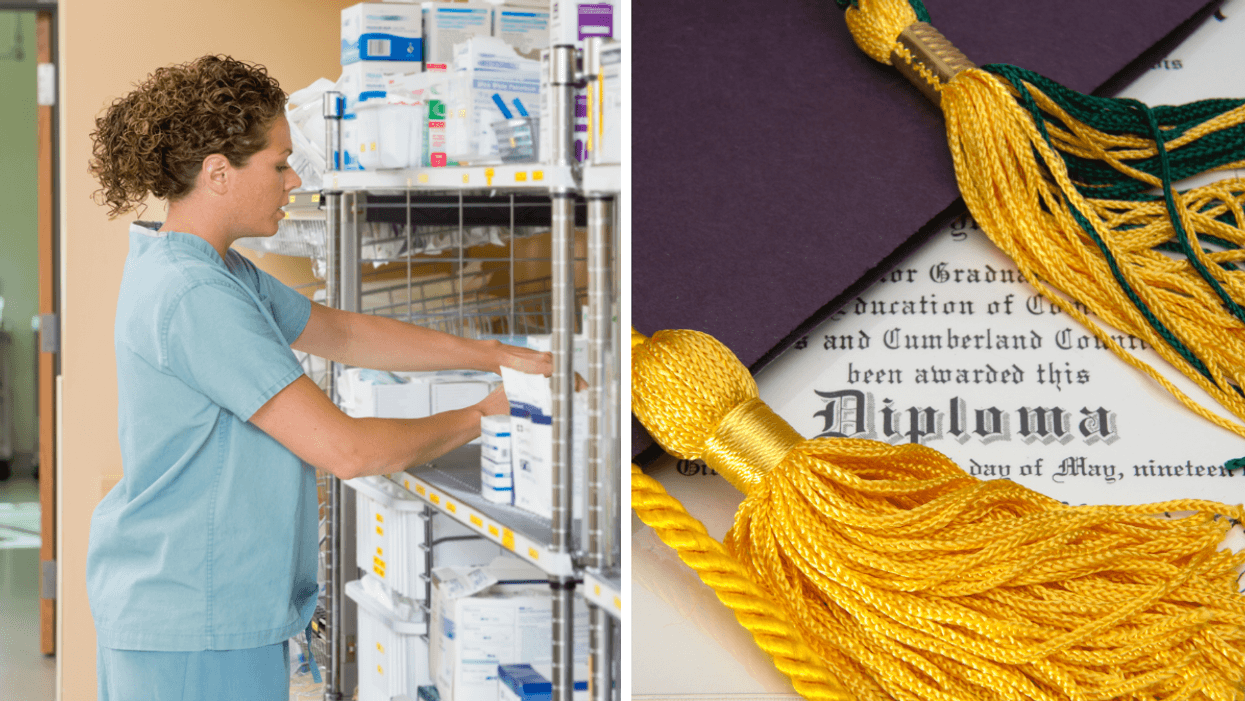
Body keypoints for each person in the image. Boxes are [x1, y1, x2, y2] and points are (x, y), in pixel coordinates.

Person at [84, 55, 553, 700]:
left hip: (198, 609)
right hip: (194, 622)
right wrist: (485, 415)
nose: (292, 178)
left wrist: (491, 355)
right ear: (218, 173)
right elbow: (347, 449)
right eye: (278, 164)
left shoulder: (210, 268)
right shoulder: (195, 293)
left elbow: (344, 333)